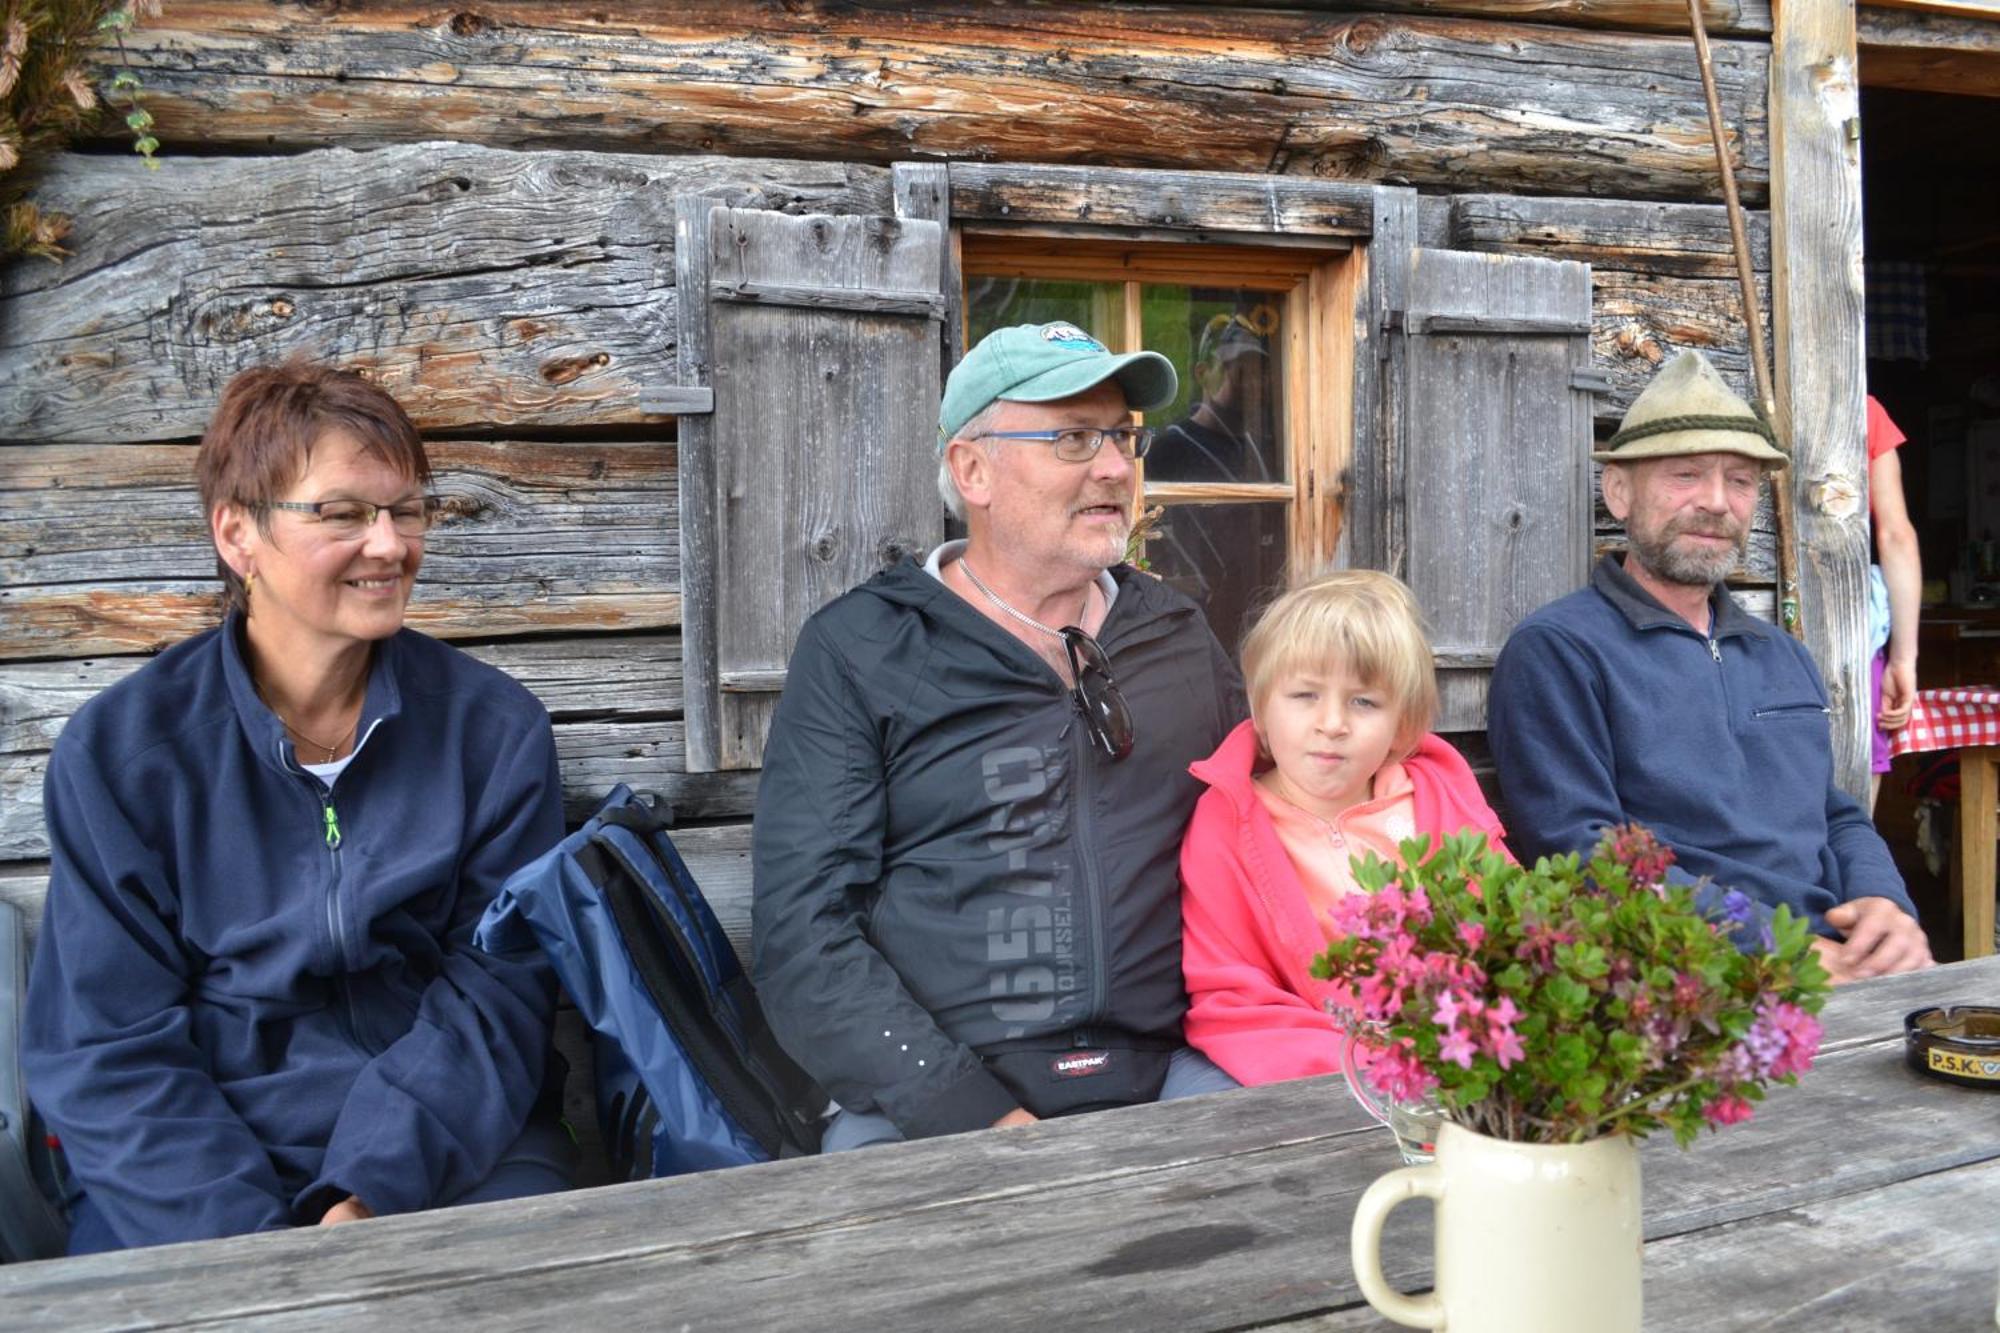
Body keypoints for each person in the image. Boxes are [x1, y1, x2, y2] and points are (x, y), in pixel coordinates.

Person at [24, 362, 573, 1252]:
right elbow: (107, 1046)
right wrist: (257, 1242)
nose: (390, 545)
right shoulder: (125, 755)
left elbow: (497, 997)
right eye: (342, 512)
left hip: (451, 1151)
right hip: (195, 1179)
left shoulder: (491, 731)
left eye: (407, 509)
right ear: (238, 533)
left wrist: (366, 1188)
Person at [752, 321, 1246, 1150]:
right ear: (972, 469)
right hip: (933, 1097)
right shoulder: (865, 649)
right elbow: (805, 934)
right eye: (1074, 437)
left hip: (1171, 1070)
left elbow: (1274, 816)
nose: (1117, 468)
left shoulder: (1176, 635)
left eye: (1124, 436)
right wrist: (970, 1114)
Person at [1488, 351, 1933, 984]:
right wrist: (1773, 950)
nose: (1717, 502)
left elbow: (1832, 812)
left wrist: (1886, 906)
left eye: (1742, 480)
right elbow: (1581, 854)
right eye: (1686, 474)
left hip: (1840, 957)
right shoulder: (1560, 650)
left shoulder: (1780, 653)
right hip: (1688, 978)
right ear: (1619, 491)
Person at [1180, 571, 1509, 1086]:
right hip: (1316, 1065)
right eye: (1305, 695)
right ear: (1261, 709)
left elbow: (1509, 926)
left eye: (1364, 702)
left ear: (1403, 725)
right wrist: (1364, 1063)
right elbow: (1231, 994)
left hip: (1456, 1051)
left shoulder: (1439, 803)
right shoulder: (1225, 822)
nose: (1332, 722)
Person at [1866, 395, 1921, 810]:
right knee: (1851, 821)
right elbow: (1895, 535)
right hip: (1851, 636)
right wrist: (1903, 660)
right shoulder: (1862, 408)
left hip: (1744, 624)